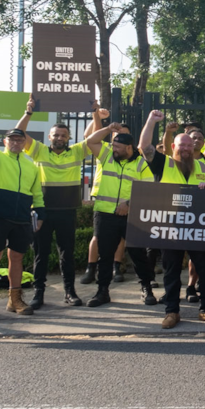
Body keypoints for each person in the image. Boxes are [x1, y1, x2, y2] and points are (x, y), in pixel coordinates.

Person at [139, 110, 205, 328]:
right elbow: (144, 147)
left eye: (189, 145)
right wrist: (151, 121)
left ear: (194, 147)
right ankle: (172, 311)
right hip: (171, 229)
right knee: (171, 271)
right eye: (182, 145)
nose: (186, 148)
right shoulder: (163, 163)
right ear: (174, 147)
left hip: (199, 229)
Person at [13, 100, 91, 309]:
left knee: (67, 255)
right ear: (49, 137)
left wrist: (97, 116)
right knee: (41, 254)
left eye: (63, 135)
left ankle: (69, 292)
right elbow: (18, 132)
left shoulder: (76, 151)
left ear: (68, 138)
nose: (59, 138)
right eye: (55, 135)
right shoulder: (39, 150)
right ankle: (39, 294)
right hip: (42, 212)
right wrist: (28, 112)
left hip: (67, 211)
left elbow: (94, 138)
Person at [0, 113, 44, 318]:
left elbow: (37, 194)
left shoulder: (31, 165)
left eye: (20, 140)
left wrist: (40, 214)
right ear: (5, 141)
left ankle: (15, 299)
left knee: (17, 258)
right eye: (12, 139)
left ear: (24, 143)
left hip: (21, 217)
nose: (16, 142)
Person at [85, 129, 157, 307]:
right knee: (106, 255)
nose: (114, 149)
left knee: (138, 255)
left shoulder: (141, 164)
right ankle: (102, 291)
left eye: (117, 146)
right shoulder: (108, 156)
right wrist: (109, 129)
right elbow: (90, 141)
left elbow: (148, 191)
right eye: (113, 145)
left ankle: (146, 288)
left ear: (129, 148)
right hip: (104, 214)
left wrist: (129, 204)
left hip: (132, 216)